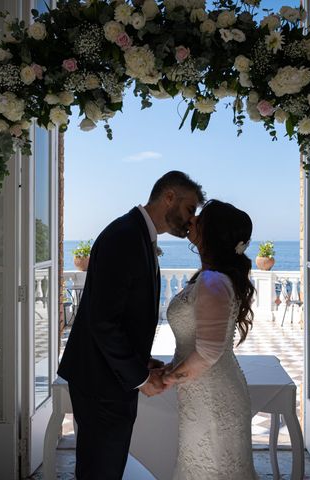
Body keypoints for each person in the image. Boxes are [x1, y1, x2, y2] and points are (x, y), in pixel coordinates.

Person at [57, 171, 205, 479]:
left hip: (107, 376)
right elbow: (103, 322)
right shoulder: (125, 236)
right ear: (169, 198)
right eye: (190, 209)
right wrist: (140, 377)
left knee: (107, 467)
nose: (192, 220)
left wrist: (142, 361)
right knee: (100, 470)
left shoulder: (135, 233)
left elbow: (120, 315)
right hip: (100, 383)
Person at [162, 199, 258, 480]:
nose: (192, 221)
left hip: (213, 396)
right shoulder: (212, 278)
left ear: (212, 233)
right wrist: (169, 369)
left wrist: (167, 378)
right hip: (201, 392)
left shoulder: (213, 281)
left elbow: (207, 352)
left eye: (200, 220)